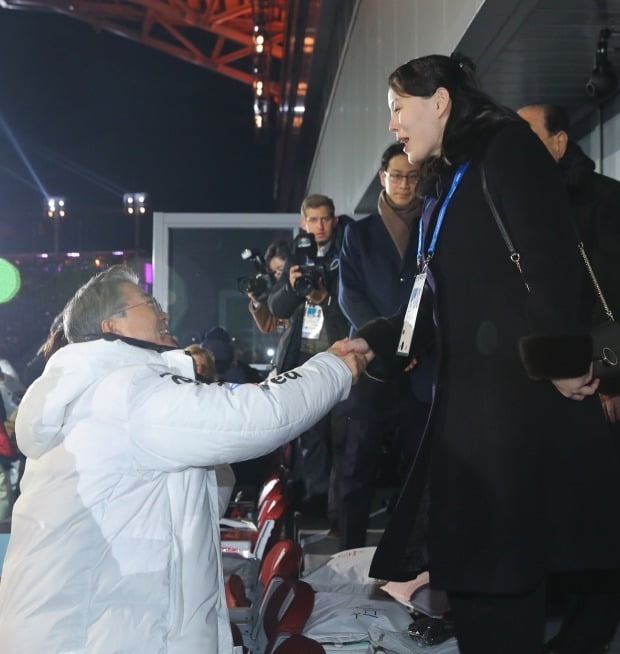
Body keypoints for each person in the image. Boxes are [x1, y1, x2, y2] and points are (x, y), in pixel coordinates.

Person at [355, 53, 620, 654]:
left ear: (440, 101)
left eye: (399, 108)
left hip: (509, 418)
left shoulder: (508, 150)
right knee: (475, 584)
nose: (393, 124)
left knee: (501, 584)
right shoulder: (450, 175)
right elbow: (437, 297)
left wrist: (559, 364)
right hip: (465, 421)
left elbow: (551, 263)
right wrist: (374, 339)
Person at [0, 265, 370, 653]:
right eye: (148, 303)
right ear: (112, 325)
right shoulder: (123, 391)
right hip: (93, 634)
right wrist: (332, 370)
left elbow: (206, 489)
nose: (162, 312)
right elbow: (257, 416)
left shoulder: (100, 390)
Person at [518, 102, 620, 654]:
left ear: (558, 143)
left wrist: (610, 378)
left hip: (596, 387)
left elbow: (612, 301)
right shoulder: (520, 204)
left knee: (597, 522)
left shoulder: (605, 201)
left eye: (526, 134)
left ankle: (588, 635)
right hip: (545, 388)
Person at [337, 142, 431, 550]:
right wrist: (387, 343)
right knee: (357, 469)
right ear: (382, 178)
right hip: (373, 366)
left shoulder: (432, 225)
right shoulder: (358, 233)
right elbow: (349, 296)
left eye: (412, 176)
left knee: (417, 471)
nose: (405, 184)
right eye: (397, 175)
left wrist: (408, 345)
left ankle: (411, 559)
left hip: (419, 365)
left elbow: (431, 292)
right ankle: (348, 554)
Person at [268, 195, 352, 518]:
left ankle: (339, 509)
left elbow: (351, 304)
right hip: (304, 358)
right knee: (311, 436)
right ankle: (316, 503)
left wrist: (327, 296)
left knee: (342, 436)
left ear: (334, 220)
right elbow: (276, 306)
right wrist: (291, 287)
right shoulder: (296, 255)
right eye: (313, 220)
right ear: (303, 222)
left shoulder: (347, 250)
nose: (319, 227)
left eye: (325, 219)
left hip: (341, 353)